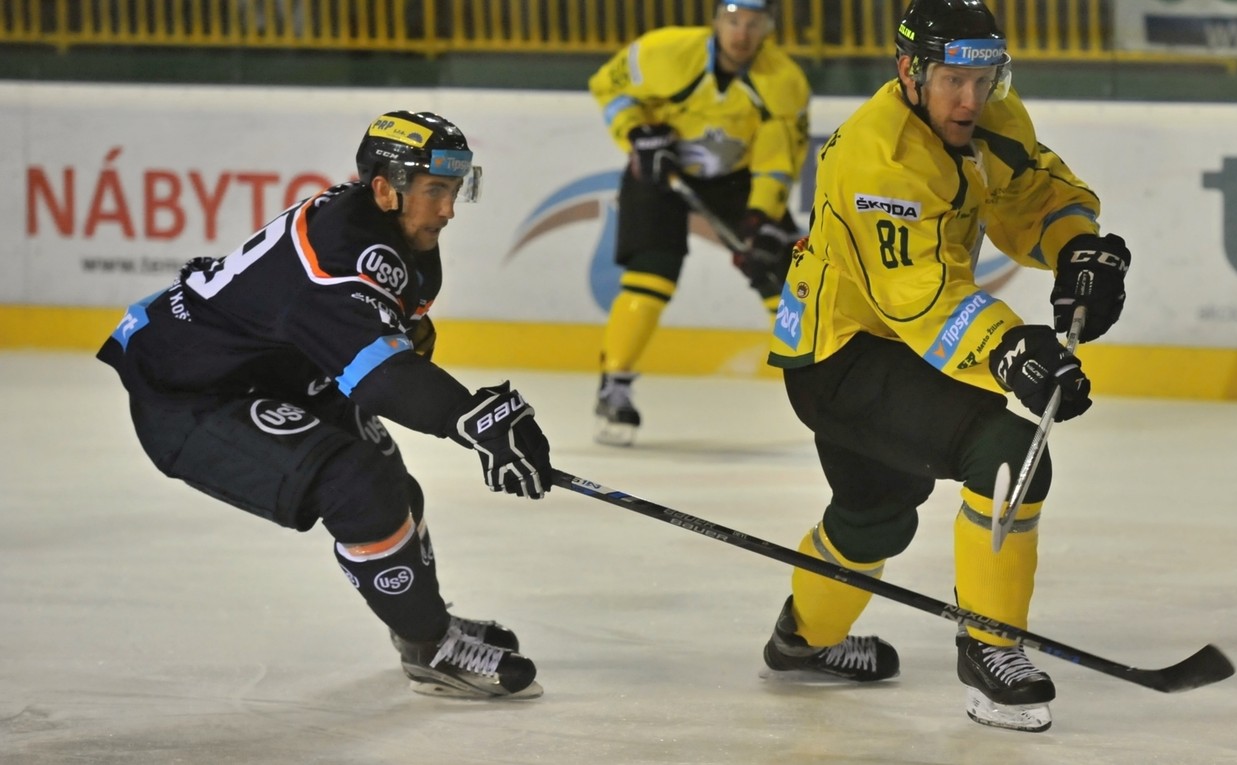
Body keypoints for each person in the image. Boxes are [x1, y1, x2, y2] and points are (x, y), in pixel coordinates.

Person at [761, 0, 1131, 733]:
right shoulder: (879, 156)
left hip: (891, 343)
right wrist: (1009, 348)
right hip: (843, 356)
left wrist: (1077, 248)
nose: (970, 97)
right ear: (910, 71)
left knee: (875, 518)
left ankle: (802, 640)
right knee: (1006, 450)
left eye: (984, 76)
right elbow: (920, 298)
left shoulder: (989, 113)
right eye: (952, 80)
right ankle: (991, 651)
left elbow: (1035, 195)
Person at [96, 111, 555, 700]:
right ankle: (432, 647)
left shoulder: (395, 233)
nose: (448, 209)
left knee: (392, 486)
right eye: (436, 190)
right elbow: (381, 377)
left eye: (454, 190)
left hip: (274, 371)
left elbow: (393, 341)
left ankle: (424, 628)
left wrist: (446, 396)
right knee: (358, 485)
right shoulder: (342, 250)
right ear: (386, 188)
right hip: (193, 396)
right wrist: (476, 419)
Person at [586, 0, 811, 446]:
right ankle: (615, 385)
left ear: (767, 26)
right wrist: (636, 133)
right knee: (651, 276)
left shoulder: (784, 81)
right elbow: (607, 88)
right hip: (657, 171)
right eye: (732, 20)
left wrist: (762, 216)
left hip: (736, 181)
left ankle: (817, 381)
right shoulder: (665, 51)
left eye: (752, 23)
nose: (741, 33)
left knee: (781, 273)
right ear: (716, 21)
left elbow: (777, 160)